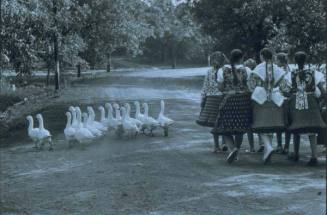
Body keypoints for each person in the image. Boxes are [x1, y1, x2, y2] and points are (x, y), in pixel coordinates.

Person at [286, 51, 326, 166]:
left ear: (295, 61)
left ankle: (296, 154)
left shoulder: (290, 74)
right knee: (312, 129)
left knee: (296, 127)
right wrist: (320, 104)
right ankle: (314, 156)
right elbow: (324, 92)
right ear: (306, 60)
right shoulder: (315, 73)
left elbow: (286, 91)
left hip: (296, 102)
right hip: (311, 102)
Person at [248, 48, 288, 164]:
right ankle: (268, 150)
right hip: (275, 99)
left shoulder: (258, 68)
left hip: (260, 100)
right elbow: (284, 86)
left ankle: (268, 147)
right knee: (270, 125)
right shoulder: (278, 69)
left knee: (260, 125)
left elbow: (251, 85)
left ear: (262, 56)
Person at [213, 49, 252, 163]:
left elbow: (220, 88)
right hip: (243, 102)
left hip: (228, 101)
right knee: (240, 128)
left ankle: (232, 148)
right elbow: (249, 86)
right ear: (241, 58)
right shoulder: (247, 70)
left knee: (224, 127)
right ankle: (237, 151)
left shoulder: (222, 70)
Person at [197, 51, 229, 153]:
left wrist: (202, 100)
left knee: (215, 123)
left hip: (211, 99)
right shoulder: (226, 70)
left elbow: (205, 86)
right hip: (223, 98)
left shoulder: (209, 71)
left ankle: (216, 146)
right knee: (224, 122)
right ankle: (224, 142)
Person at [275, 52, 292, 154]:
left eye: (277, 60)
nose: (275, 62)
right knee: (288, 123)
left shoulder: (278, 70)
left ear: (280, 61)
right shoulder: (290, 69)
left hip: (279, 99)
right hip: (289, 99)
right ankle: (286, 146)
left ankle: (279, 145)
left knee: (279, 123)